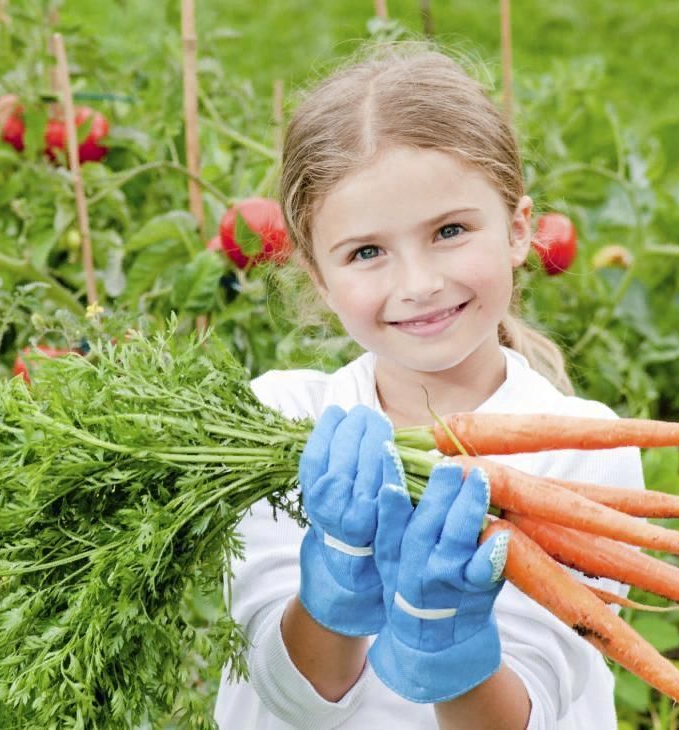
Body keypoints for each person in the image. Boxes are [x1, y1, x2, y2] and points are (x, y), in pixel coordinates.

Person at [213, 42, 644, 730]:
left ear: (517, 230)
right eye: (367, 252)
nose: (418, 284)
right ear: (320, 279)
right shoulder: (281, 423)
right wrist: (333, 596)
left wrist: (452, 651)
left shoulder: (588, 455)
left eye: (449, 231)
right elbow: (282, 696)